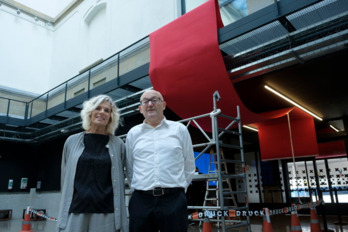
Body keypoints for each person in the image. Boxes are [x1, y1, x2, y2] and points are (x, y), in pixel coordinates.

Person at [126, 89, 196, 232]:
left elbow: (189, 165)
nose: (150, 104)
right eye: (145, 101)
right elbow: (130, 166)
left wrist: (180, 189)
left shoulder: (179, 130)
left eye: (155, 100)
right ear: (140, 109)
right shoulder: (133, 133)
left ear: (164, 105)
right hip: (141, 201)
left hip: (174, 200)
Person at [57, 94, 128, 232]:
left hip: (107, 214)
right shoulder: (71, 141)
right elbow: (64, 177)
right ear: (90, 113)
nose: (102, 112)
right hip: (75, 211)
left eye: (107, 110)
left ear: (111, 116)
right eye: (98, 108)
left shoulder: (118, 144)